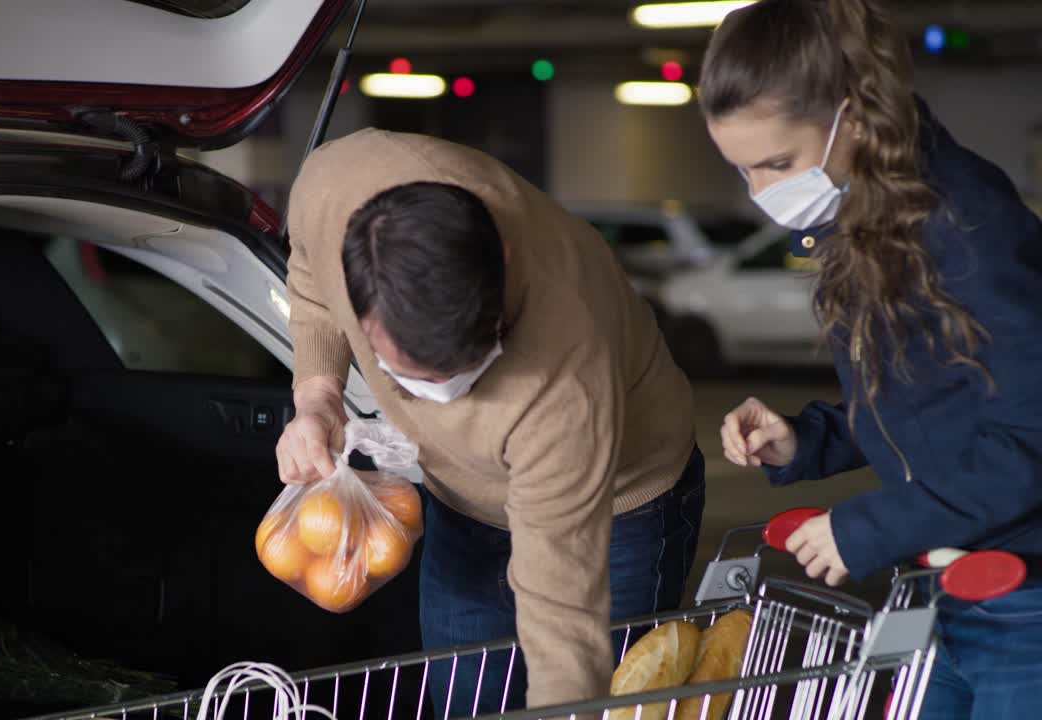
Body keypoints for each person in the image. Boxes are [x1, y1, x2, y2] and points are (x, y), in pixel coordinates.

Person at [276, 128, 704, 715]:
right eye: (404, 376)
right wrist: (318, 396)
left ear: (500, 263)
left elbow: (562, 613)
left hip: (616, 503)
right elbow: (310, 284)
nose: (438, 402)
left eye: (463, 371)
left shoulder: (563, 375)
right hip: (462, 501)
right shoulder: (332, 185)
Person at [701, 0, 1042, 717]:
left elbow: (1029, 440)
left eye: (778, 164)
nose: (763, 195)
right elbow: (932, 402)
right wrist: (808, 438)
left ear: (852, 118)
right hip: (943, 589)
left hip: (1024, 604)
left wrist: (865, 529)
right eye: (744, 172)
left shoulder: (967, 226)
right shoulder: (872, 217)